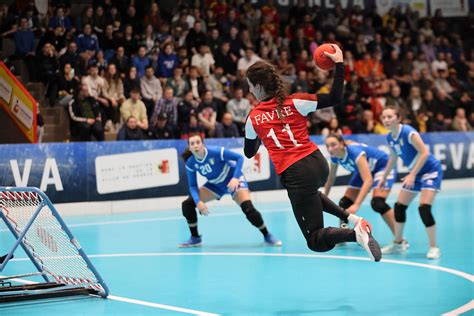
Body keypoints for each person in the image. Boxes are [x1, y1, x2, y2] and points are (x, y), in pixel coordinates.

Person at [244, 46, 382, 261]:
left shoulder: (253, 118)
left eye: (251, 86)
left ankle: (356, 234)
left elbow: (249, 152)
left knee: (316, 240)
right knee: (312, 195)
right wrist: (339, 64)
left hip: (295, 172)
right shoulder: (297, 101)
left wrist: (264, 134)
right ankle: (352, 219)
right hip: (318, 163)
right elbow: (336, 97)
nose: (250, 91)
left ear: (260, 86)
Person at [180, 134, 282, 248]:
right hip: (215, 185)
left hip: (233, 180)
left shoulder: (216, 152)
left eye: (198, 142)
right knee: (188, 204)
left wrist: (235, 178)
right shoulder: (190, 162)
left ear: (203, 144)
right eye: (192, 143)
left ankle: (267, 235)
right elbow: (193, 186)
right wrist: (198, 201)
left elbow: (239, 158)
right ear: (189, 147)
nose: (196, 145)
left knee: (248, 208)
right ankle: (195, 238)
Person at [378, 106, 442, 259]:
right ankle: (398, 243)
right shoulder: (389, 137)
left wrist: (412, 174)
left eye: (389, 117)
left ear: (398, 118)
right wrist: (384, 177)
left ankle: (434, 247)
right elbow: (393, 158)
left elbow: (424, 152)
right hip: (415, 174)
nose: (386, 120)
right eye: (383, 117)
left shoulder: (408, 132)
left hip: (430, 171)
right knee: (399, 207)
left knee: (424, 208)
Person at [323, 134, 399, 241]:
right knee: (344, 203)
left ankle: (399, 240)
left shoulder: (355, 153)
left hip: (382, 167)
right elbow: (331, 178)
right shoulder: (335, 157)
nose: (330, 149)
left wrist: (357, 205)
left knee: (378, 203)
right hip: (363, 170)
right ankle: (340, 237)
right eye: (327, 146)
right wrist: (324, 197)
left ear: (341, 144)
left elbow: (368, 181)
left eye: (333, 145)